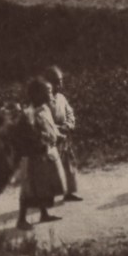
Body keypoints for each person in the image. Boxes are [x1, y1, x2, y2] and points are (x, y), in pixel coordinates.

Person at [16, 76, 66, 230]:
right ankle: (21, 219)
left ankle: (43, 213)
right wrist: (41, 142)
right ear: (36, 95)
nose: (51, 94)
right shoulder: (28, 114)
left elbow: (50, 126)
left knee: (43, 186)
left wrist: (58, 135)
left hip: (46, 153)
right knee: (30, 188)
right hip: (33, 156)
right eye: (47, 92)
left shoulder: (45, 109)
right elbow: (29, 135)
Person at [43, 65, 82, 202]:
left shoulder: (61, 98)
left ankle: (69, 192)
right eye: (56, 81)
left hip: (64, 137)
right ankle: (48, 195)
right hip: (51, 139)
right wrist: (56, 129)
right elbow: (44, 120)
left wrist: (69, 125)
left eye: (60, 81)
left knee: (68, 165)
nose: (59, 84)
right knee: (51, 168)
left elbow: (70, 113)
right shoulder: (43, 101)